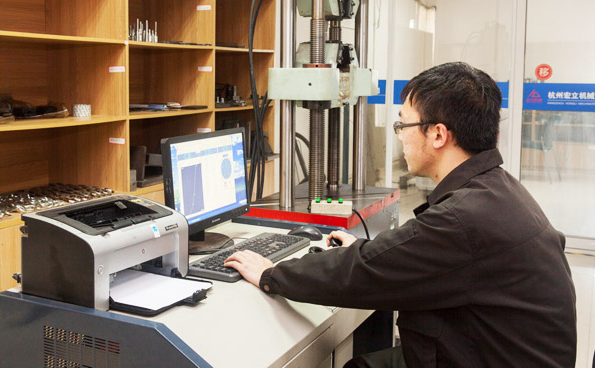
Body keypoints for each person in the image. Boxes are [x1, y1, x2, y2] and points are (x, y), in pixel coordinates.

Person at [225, 62, 577, 368]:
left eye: (403, 126)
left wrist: (271, 273)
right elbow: (415, 254)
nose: (400, 137)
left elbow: (360, 273)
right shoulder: (496, 189)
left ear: (438, 134)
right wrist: (367, 250)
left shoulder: (463, 218)